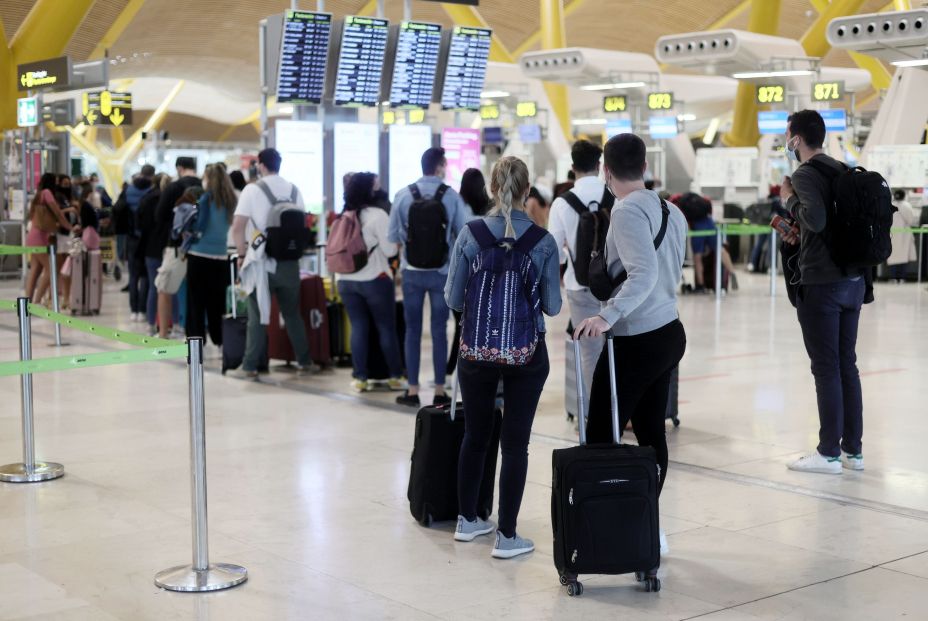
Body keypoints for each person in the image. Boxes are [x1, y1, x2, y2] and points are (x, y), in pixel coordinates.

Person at [574, 133, 688, 555]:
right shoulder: (671, 210)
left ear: (606, 170)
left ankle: (612, 526)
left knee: (602, 429)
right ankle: (645, 522)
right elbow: (668, 272)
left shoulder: (624, 211)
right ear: (643, 165)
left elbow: (643, 275)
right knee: (649, 430)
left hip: (636, 337)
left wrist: (606, 316)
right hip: (668, 331)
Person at [445, 156, 562, 559]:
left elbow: (451, 297)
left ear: (493, 190)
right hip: (526, 354)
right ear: (527, 191)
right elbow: (551, 306)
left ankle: (467, 520)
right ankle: (508, 537)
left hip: (475, 351)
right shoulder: (542, 242)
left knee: (475, 436)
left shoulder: (470, 233)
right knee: (515, 444)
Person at [779, 109, 869, 475]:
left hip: (822, 284)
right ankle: (854, 451)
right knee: (847, 364)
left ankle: (829, 452)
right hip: (853, 280)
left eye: (788, 135)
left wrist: (789, 199)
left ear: (797, 139)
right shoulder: (841, 169)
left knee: (826, 369)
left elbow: (815, 218)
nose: (787, 141)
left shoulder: (804, 174)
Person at [388, 147, 467, 407]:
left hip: (411, 273)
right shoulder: (451, 196)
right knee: (439, 330)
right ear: (441, 166)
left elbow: (394, 237)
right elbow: (463, 235)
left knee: (412, 330)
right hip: (441, 273)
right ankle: (439, 391)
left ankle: (412, 390)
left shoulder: (403, 195)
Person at [232, 148, 314, 378]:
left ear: (260, 165)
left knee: (258, 316)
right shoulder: (294, 190)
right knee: (292, 313)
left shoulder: (252, 190)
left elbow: (238, 227)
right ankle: (304, 361)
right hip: (289, 262)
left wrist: (241, 254)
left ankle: (249, 367)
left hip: (261, 262)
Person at [548, 140, 610, 417]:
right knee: (620, 350)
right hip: (616, 286)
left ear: (572, 168)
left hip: (580, 285)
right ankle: (623, 413)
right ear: (599, 165)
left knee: (589, 353)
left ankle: (594, 418)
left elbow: (554, 251)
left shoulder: (562, 203)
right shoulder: (615, 196)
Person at [335, 172, 404, 392]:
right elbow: (390, 249)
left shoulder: (343, 216)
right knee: (386, 328)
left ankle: (360, 378)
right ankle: (394, 376)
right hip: (375, 279)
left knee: (358, 327)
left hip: (345, 280)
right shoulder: (377, 215)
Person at [185, 164, 236, 349]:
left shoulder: (206, 199)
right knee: (217, 302)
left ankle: (197, 340)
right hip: (220, 257)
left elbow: (200, 227)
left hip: (199, 255)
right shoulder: (231, 201)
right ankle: (220, 339)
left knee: (196, 302)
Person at [447, 168, 492, 376]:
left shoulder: (458, 205)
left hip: (462, 272)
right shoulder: (491, 208)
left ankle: (454, 370)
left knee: (460, 324)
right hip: (488, 272)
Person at [151, 157, 202, 338]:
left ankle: (164, 332)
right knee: (196, 292)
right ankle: (195, 333)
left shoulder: (173, 187)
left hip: (177, 248)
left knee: (164, 288)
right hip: (202, 248)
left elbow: (159, 216)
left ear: (179, 168)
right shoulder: (205, 186)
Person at [25, 173, 76, 305]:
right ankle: (36, 302)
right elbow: (57, 213)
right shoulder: (47, 193)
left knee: (35, 272)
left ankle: (27, 304)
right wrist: (70, 227)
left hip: (32, 235)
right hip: (41, 236)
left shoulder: (38, 195)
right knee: (51, 269)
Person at [114, 165, 155, 321]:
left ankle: (133, 310)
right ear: (152, 175)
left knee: (133, 275)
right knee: (145, 276)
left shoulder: (128, 190)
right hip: (147, 237)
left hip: (131, 238)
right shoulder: (151, 192)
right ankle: (142, 311)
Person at [138, 174, 168, 335]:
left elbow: (140, 223)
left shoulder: (146, 199)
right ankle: (172, 324)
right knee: (169, 288)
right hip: (167, 247)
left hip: (150, 247)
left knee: (152, 286)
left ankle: (150, 323)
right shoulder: (169, 199)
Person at [888, 189, 918, 282]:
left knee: (892, 256)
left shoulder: (890, 204)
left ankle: (893, 277)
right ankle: (901, 277)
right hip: (904, 235)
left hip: (892, 234)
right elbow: (911, 221)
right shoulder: (907, 206)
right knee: (903, 257)